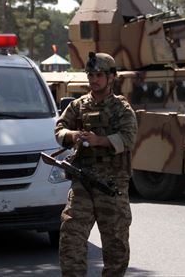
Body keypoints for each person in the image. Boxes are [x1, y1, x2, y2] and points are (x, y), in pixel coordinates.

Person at [54, 52, 138, 277]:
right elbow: (59, 129)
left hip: (111, 184)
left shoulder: (121, 108)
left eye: (99, 75)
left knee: (116, 244)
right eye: (90, 74)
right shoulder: (78, 105)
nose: (93, 79)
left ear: (111, 77)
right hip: (83, 180)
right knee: (70, 237)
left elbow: (129, 137)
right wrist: (72, 135)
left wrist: (99, 140)